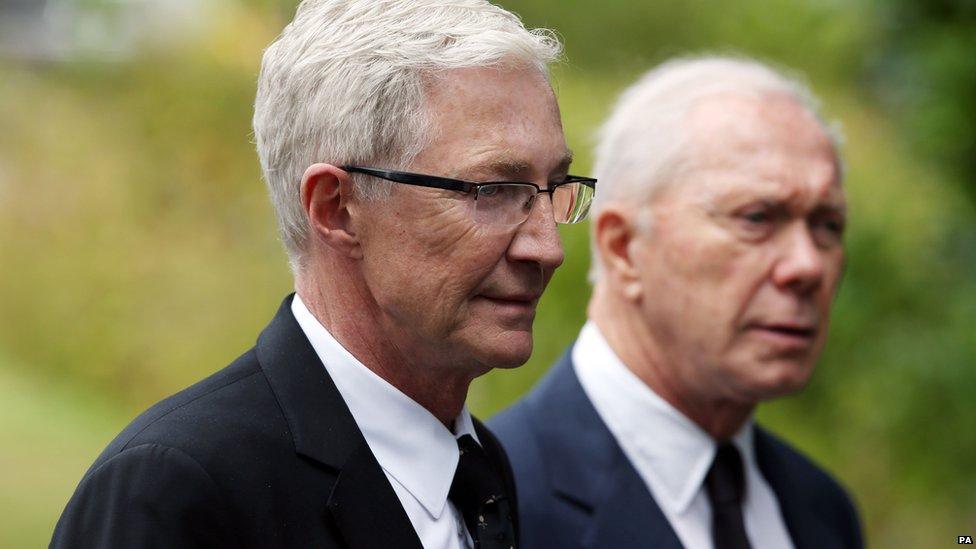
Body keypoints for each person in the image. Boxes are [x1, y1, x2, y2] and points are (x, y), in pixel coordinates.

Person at [51, 1, 596, 547]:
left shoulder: (476, 470)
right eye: (492, 191)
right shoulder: (179, 491)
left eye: (554, 186)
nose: (548, 248)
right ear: (336, 208)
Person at [490, 56, 862, 549]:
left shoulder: (820, 509)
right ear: (624, 248)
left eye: (827, 225)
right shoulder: (498, 505)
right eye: (756, 218)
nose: (807, 265)